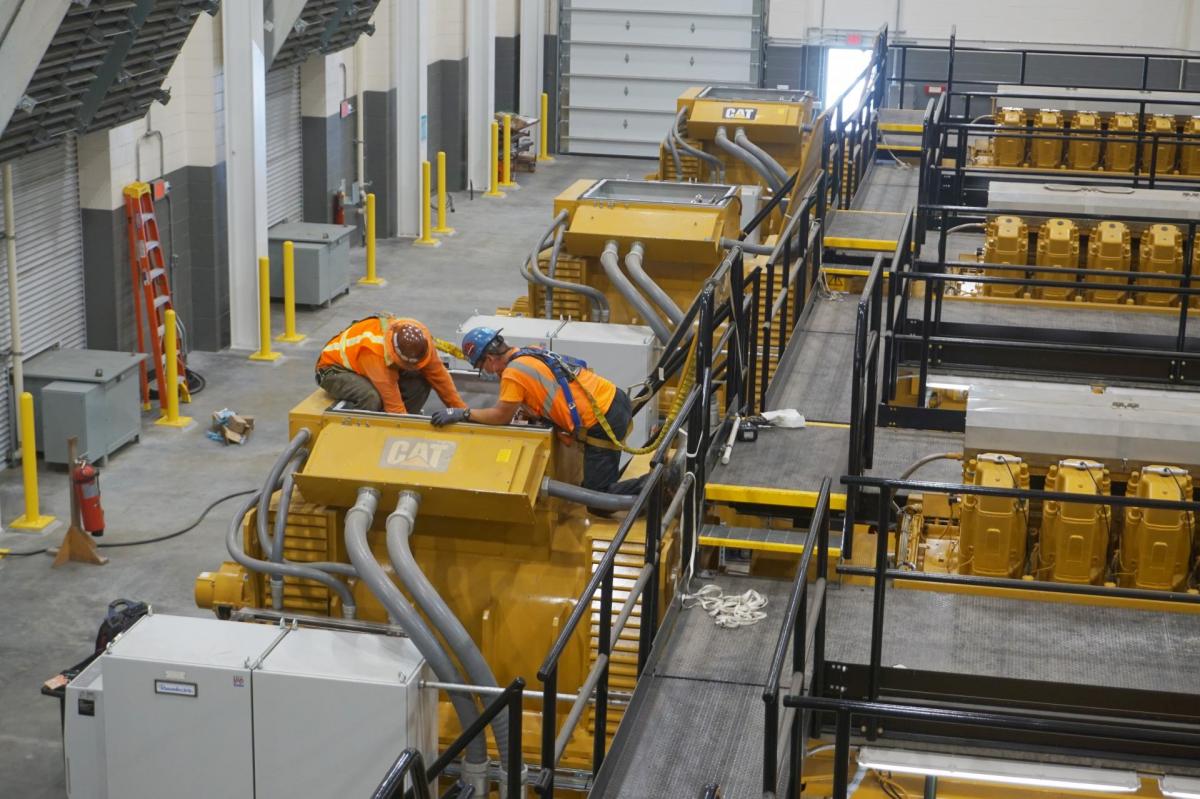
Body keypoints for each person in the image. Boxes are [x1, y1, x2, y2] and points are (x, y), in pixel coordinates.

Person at [432, 326, 645, 500]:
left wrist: (463, 414)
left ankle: (659, 487)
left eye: (481, 366)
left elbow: (500, 416)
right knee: (593, 482)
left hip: (602, 419)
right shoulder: (529, 352)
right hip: (613, 398)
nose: (486, 372)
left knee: (598, 499)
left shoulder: (513, 374)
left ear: (489, 358)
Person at [316, 316, 466, 415]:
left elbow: (439, 377)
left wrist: (463, 413)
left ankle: (402, 423)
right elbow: (395, 408)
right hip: (333, 369)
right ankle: (364, 438)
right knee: (370, 397)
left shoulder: (423, 341)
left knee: (421, 380)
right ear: (395, 354)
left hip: (365, 366)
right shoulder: (375, 352)